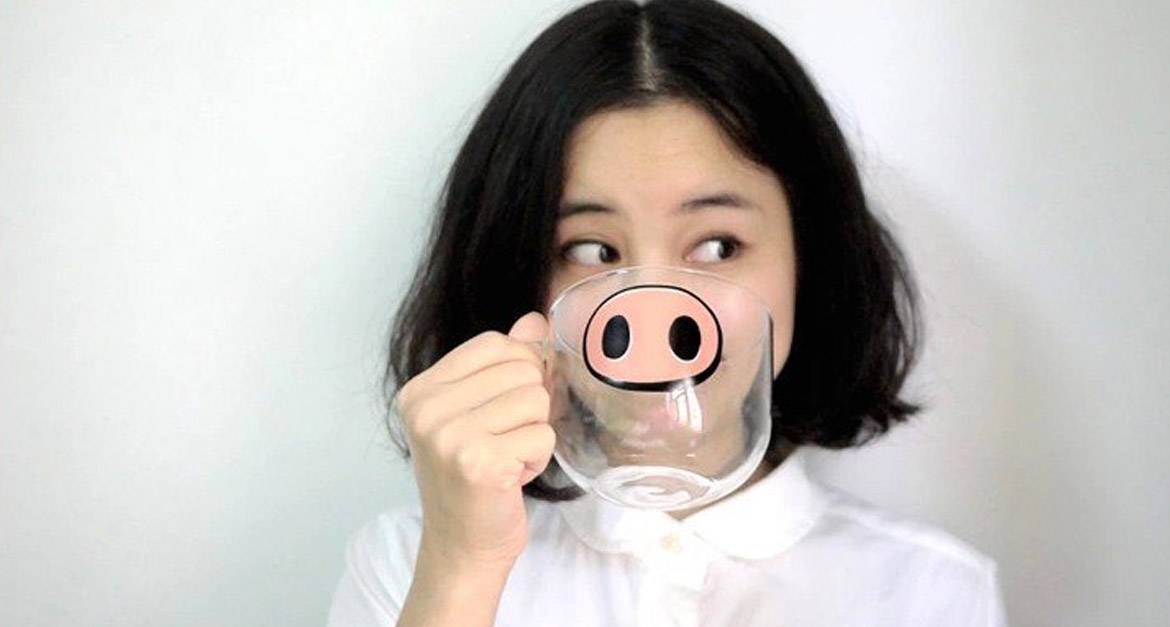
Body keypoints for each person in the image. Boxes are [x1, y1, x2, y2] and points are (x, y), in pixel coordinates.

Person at [327, 0, 1007, 625]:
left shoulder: (929, 591)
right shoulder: (413, 564)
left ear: (811, 260)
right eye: (592, 250)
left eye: (717, 246)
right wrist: (462, 570)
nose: (652, 311)